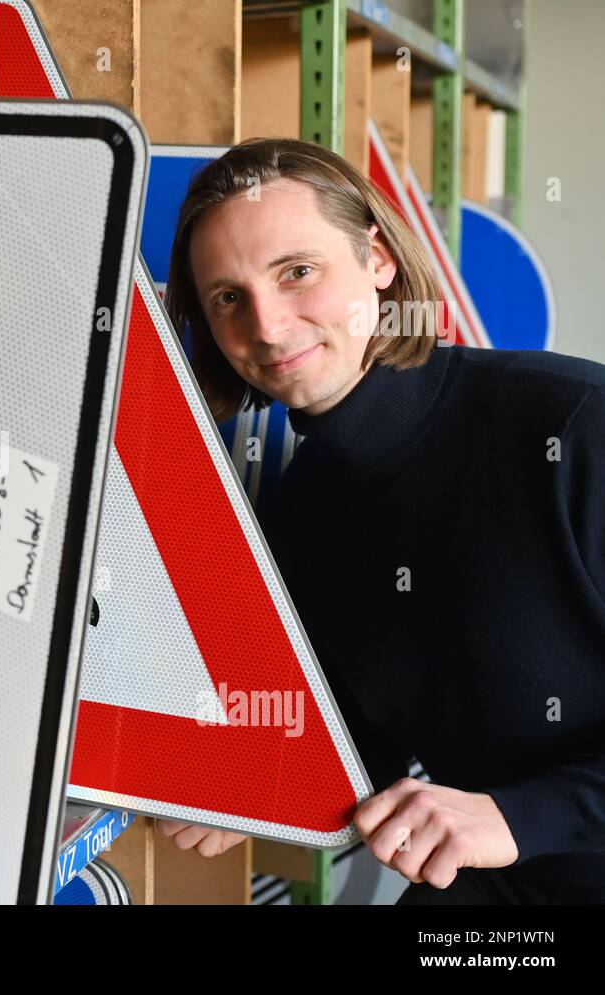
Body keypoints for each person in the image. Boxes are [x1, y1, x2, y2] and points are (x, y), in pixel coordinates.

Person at [154, 137, 605, 904]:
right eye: (228, 297)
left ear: (379, 260)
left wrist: (519, 816)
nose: (266, 325)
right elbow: (366, 737)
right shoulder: (302, 513)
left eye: (297, 271)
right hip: (499, 894)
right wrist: (257, 774)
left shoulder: (573, 423)